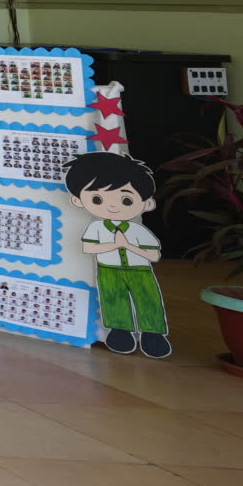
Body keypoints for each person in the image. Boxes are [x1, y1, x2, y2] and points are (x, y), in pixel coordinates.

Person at [66, 150, 172, 359]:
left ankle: (153, 334)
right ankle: (119, 331)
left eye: (126, 200)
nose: (113, 205)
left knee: (148, 299)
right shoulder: (96, 228)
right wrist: (114, 244)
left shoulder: (138, 231)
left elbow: (153, 255)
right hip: (108, 270)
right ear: (78, 201)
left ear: (147, 203)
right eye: (97, 198)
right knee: (113, 299)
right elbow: (89, 248)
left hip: (140, 270)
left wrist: (129, 246)